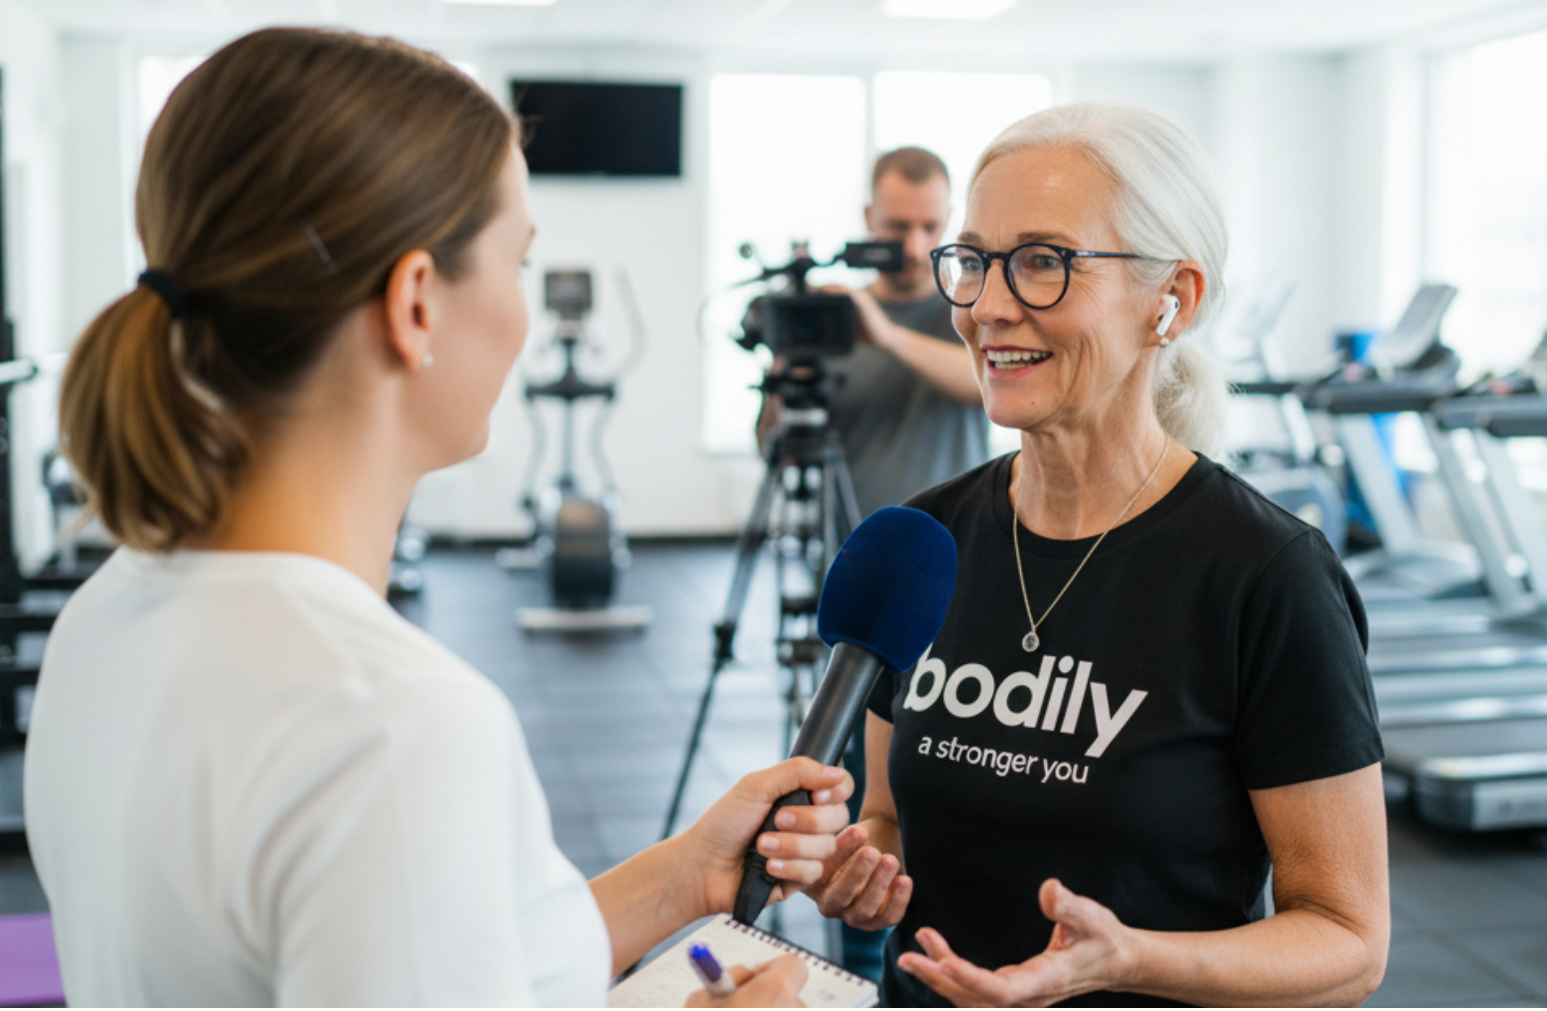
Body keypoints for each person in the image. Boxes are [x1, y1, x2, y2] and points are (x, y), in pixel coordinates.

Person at [22, 28, 854, 1008]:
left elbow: (432, 947)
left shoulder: (110, 612)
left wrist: (679, 878)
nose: (523, 312)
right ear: (416, 301)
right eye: (516, 262)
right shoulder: (389, 726)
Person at [803, 102, 1390, 1008]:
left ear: (1173, 300)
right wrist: (865, 865)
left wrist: (1132, 958)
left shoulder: (1264, 576)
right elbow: (885, 814)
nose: (989, 306)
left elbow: (1348, 942)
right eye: (976, 261)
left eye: (1043, 262)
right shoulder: (920, 544)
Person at [760, 146, 988, 519]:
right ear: (870, 217)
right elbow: (774, 450)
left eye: (930, 227)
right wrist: (786, 363)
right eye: (898, 227)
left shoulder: (973, 308)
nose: (915, 248)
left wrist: (887, 335)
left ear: (948, 219)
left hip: (956, 544)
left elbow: (984, 382)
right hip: (852, 545)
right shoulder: (834, 321)